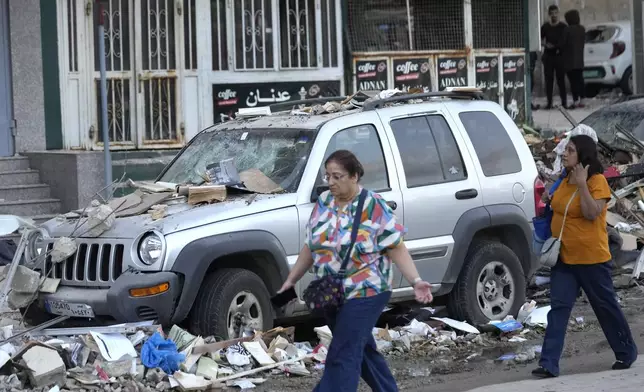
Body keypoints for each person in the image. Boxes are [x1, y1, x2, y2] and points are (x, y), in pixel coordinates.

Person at [277, 150, 432, 392]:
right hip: (332, 293)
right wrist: (291, 280)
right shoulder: (324, 202)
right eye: (327, 176)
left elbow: (396, 246)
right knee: (362, 350)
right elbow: (311, 245)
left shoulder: (374, 205)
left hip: (367, 291)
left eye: (337, 176)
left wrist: (416, 280)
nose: (330, 182)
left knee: (343, 352)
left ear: (354, 176)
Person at [532, 135, 638, 378]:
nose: (564, 154)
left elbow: (592, 213)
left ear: (583, 155)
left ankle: (626, 351)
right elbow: (556, 208)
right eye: (565, 150)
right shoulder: (563, 179)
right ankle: (548, 363)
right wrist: (548, 198)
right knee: (558, 309)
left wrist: (582, 185)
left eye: (570, 150)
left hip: (592, 260)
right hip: (564, 259)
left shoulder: (596, 181)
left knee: (605, 307)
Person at [541, 5, 568, 109]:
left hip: (559, 56)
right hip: (548, 56)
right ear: (549, 15)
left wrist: (556, 46)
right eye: (552, 13)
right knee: (549, 80)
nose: (554, 15)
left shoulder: (563, 27)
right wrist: (545, 45)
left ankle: (564, 102)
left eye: (555, 13)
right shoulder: (545, 27)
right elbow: (540, 39)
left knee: (561, 80)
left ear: (558, 13)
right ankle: (549, 103)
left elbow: (565, 42)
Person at [564, 9, 586, 108]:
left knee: (573, 82)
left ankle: (575, 99)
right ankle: (582, 99)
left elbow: (562, 43)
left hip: (569, 60)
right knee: (580, 80)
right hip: (580, 60)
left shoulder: (567, 30)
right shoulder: (582, 29)